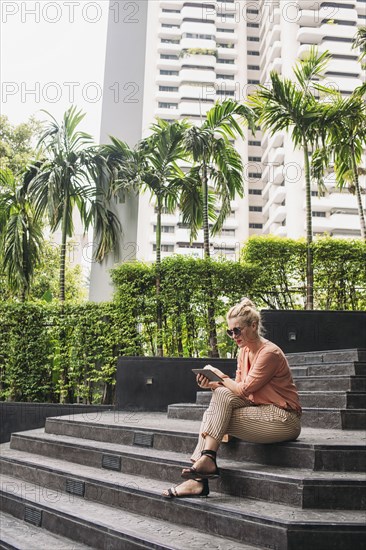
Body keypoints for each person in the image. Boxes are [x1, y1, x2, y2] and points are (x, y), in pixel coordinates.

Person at [162, 298, 302, 498]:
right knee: (219, 397)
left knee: (213, 416)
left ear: (253, 326)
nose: (233, 336)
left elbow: (243, 390)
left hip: (284, 418)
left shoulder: (270, 353)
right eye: (230, 332)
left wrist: (219, 377)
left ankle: (200, 476)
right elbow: (233, 390)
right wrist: (213, 384)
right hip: (258, 408)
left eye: (237, 330)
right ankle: (206, 463)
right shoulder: (243, 351)